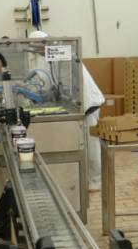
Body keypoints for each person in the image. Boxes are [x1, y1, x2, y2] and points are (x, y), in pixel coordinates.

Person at [29, 30, 105, 191]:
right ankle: (85, 177)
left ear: (45, 45)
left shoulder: (66, 55)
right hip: (78, 105)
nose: (39, 54)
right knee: (82, 144)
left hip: (88, 104)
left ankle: (96, 180)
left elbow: (74, 84)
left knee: (91, 144)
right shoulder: (55, 59)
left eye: (39, 50)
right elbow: (59, 83)